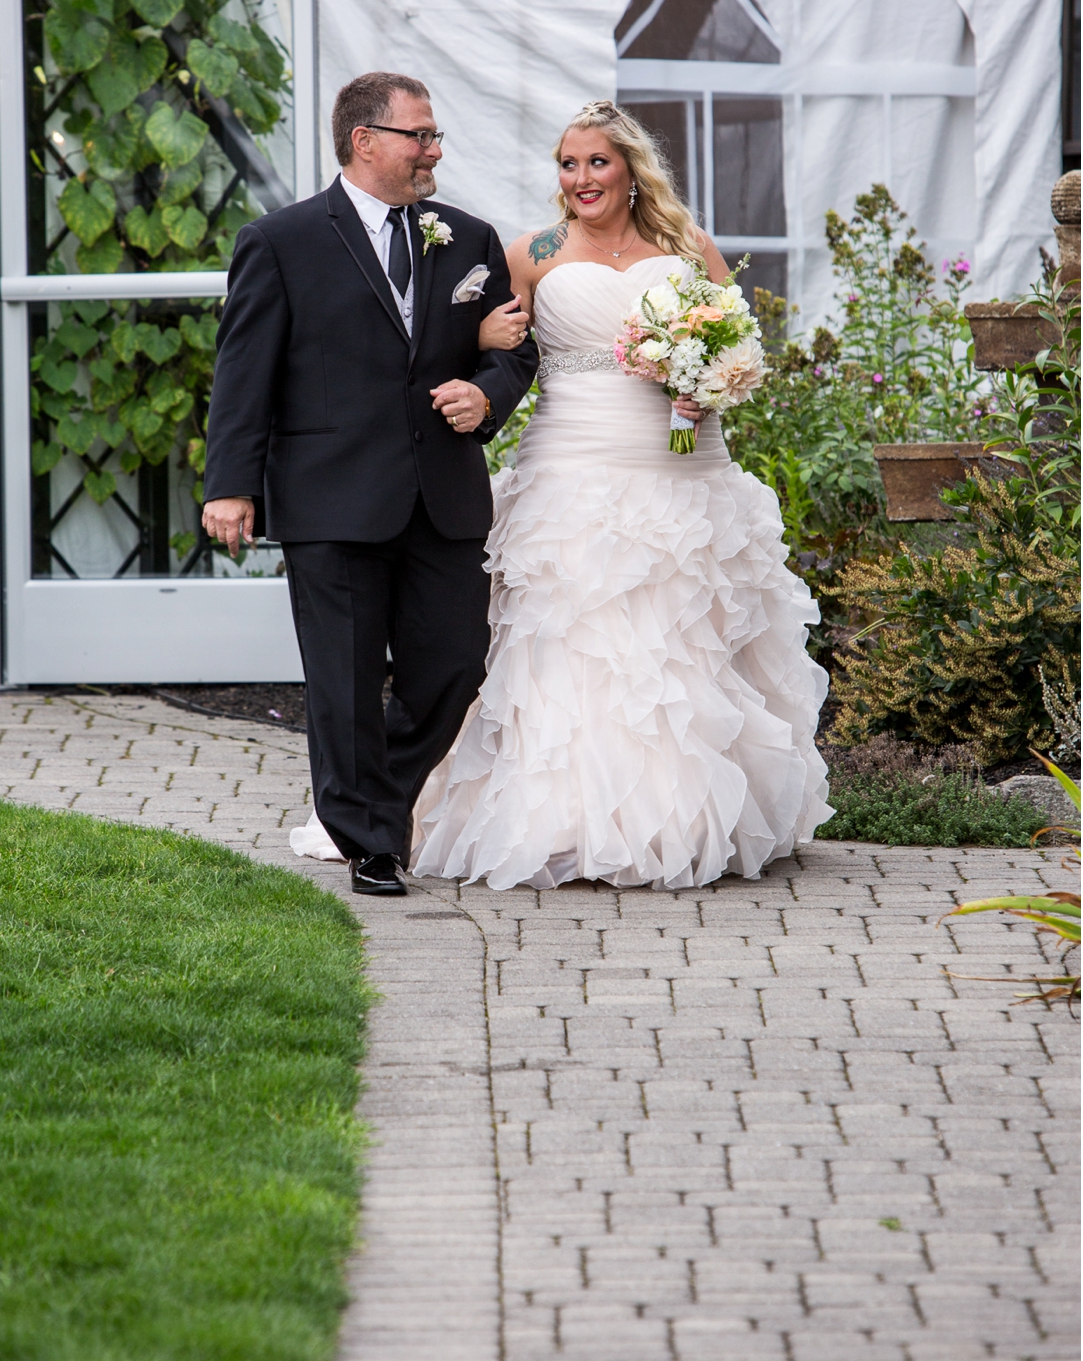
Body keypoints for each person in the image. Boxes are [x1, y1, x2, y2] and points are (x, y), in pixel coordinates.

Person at [412, 99, 832, 890]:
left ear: (632, 170)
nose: (580, 179)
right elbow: (479, 342)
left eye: (596, 163)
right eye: (567, 165)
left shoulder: (685, 246)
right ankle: (562, 820)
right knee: (574, 640)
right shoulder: (531, 252)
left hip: (685, 465)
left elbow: (738, 342)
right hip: (571, 464)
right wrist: (485, 340)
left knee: (682, 642)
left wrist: (712, 383)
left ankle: (683, 816)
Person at [202, 72, 539, 896]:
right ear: (365, 140)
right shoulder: (281, 241)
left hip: (442, 494)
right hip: (331, 495)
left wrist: (487, 392)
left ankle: (362, 799)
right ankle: (372, 843)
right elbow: (244, 372)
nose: (434, 150)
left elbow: (514, 348)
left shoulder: (467, 237)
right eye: (419, 135)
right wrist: (230, 485)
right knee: (343, 680)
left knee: (456, 664)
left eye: (433, 136)